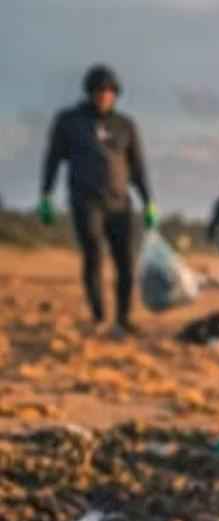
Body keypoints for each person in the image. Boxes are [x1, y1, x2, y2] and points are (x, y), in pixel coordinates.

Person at [38, 64, 158, 335]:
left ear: (115, 94)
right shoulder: (69, 122)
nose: (104, 95)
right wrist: (46, 194)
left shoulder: (125, 125)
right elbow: (53, 159)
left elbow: (138, 167)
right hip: (85, 201)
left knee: (125, 262)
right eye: (99, 91)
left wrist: (149, 201)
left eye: (109, 91)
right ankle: (99, 317)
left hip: (120, 203)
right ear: (90, 92)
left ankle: (124, 317)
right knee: (93, 253)